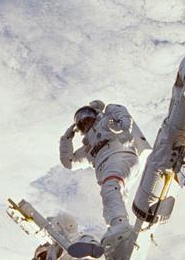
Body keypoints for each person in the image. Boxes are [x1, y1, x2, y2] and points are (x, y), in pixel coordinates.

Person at [59, 100, 150, 250]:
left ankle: (120, 225)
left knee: (110, 190)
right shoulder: (88, 148)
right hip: (112, 170)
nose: (85, 121)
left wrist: (124, 129)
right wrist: (66, 139)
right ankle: (119, 240)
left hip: (119, 158)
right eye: (81, 121)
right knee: (110, 205)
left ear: (94, 115)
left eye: (87, 116)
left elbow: (122, 114)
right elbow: (69, 162)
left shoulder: (106, 123)